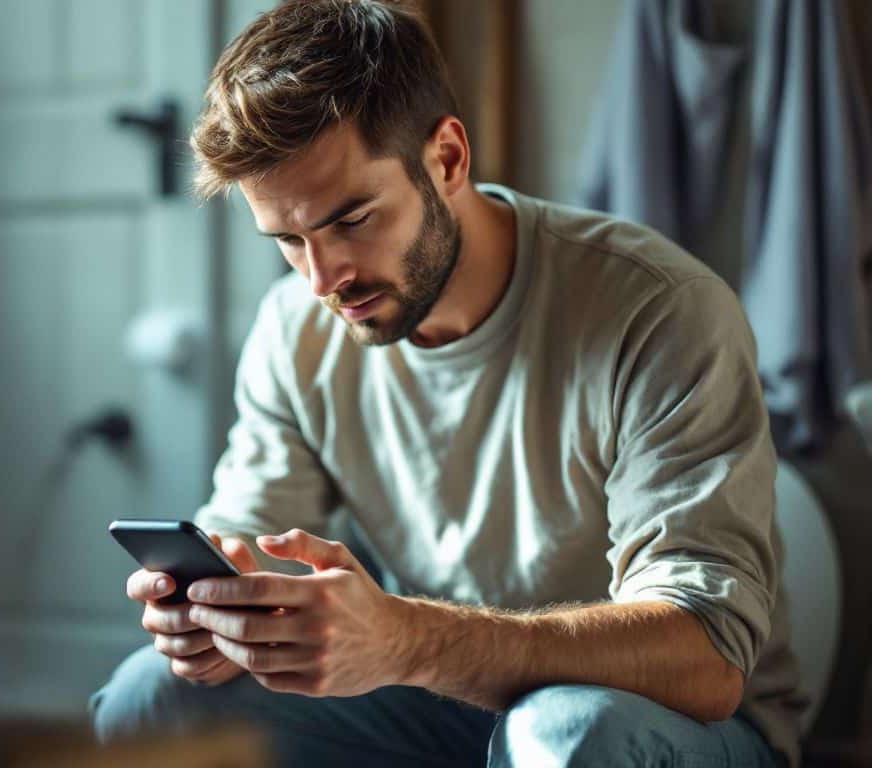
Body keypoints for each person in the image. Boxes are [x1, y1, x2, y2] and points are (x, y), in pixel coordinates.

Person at [90, 1, 805, 765]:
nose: (324, 278)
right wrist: (219, 621)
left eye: (353, 219)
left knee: (564, 733)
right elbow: (253, 545)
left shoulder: (658, 310)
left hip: (664, 723)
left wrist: (407, 640)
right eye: (289, 241)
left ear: (449, 159)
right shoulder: (294, 329)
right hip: (436, 705)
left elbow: (707, 658)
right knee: (148, 703)